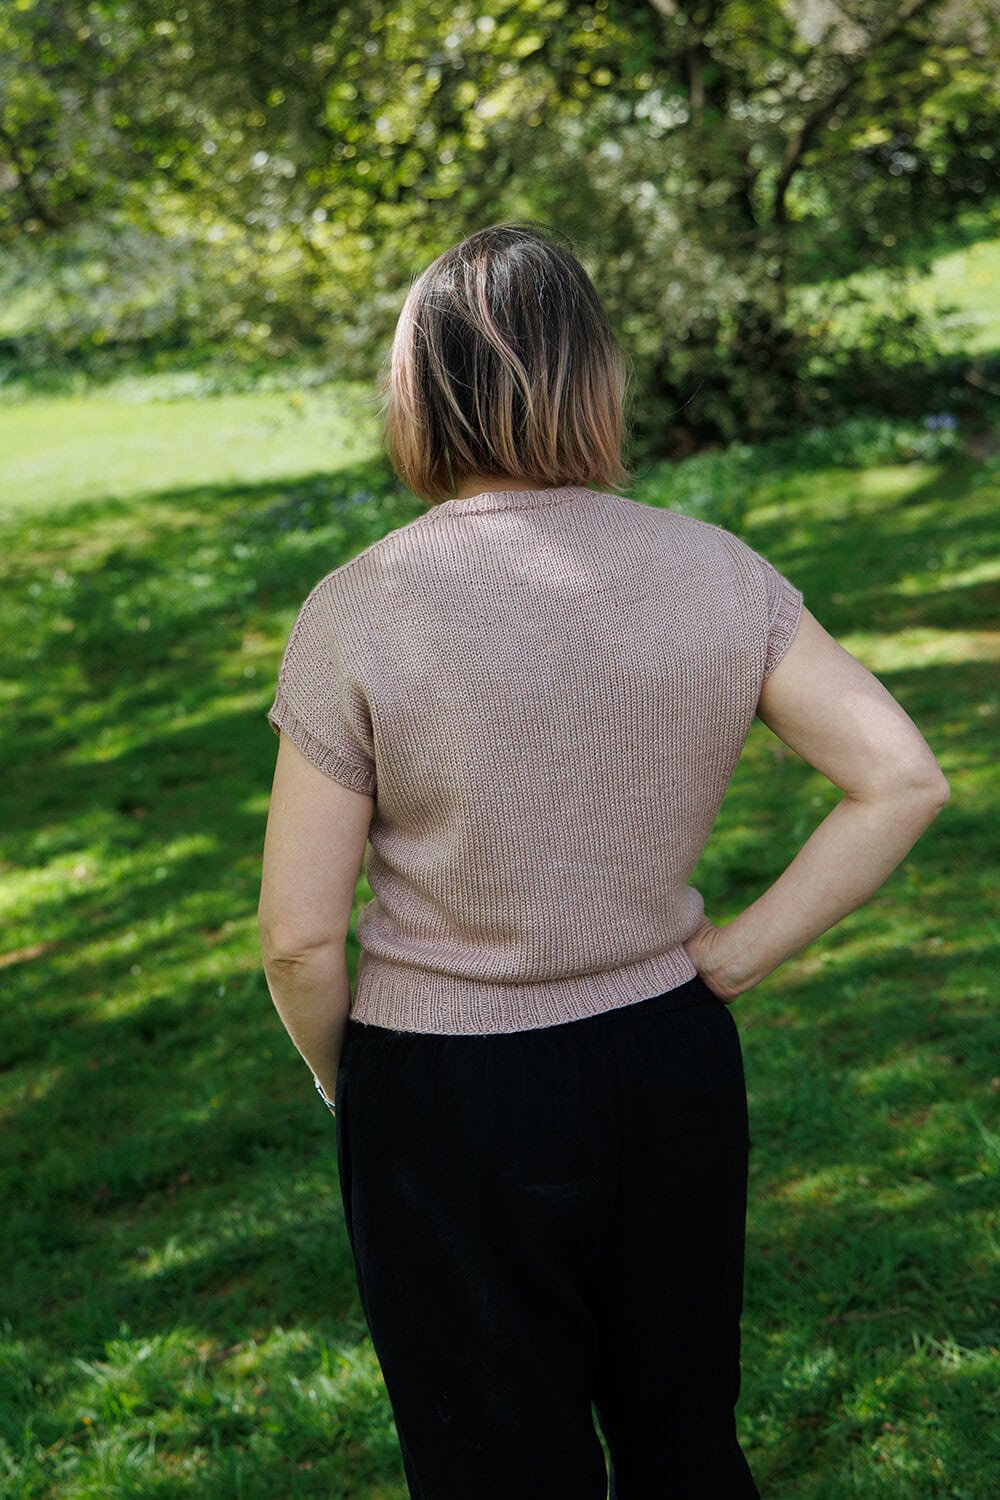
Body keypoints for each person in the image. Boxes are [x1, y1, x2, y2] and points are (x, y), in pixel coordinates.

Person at [257, 221, 950, 1500]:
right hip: (666, 1062)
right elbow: (899, 778)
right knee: (685, 1443)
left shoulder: (360, 607)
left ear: (417, 390)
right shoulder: (716, 571)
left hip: (445, 1100)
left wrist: (347, 1082)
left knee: (497, 1470)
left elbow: (298, 940)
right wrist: (729, 957)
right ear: (595, 379)